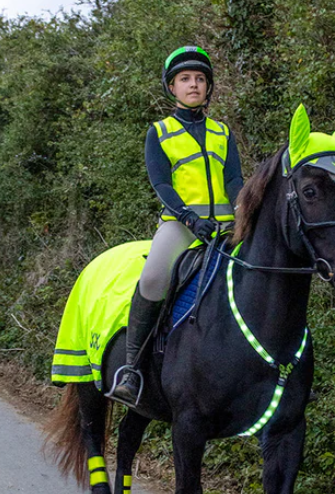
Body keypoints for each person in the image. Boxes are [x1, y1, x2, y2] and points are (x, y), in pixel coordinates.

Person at [111, 46, 244, 404]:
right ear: (173, 87)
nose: (194, 85)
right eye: (185, 79)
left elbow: (234, 181)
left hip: (227, 227)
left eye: (200, 79)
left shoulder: (222, 132)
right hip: (181, 226)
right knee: (153, 278)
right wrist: (189, 218)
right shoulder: (160, 131)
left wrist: (246, 211)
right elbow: (161, 184)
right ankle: (132, 369)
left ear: (208, 87)